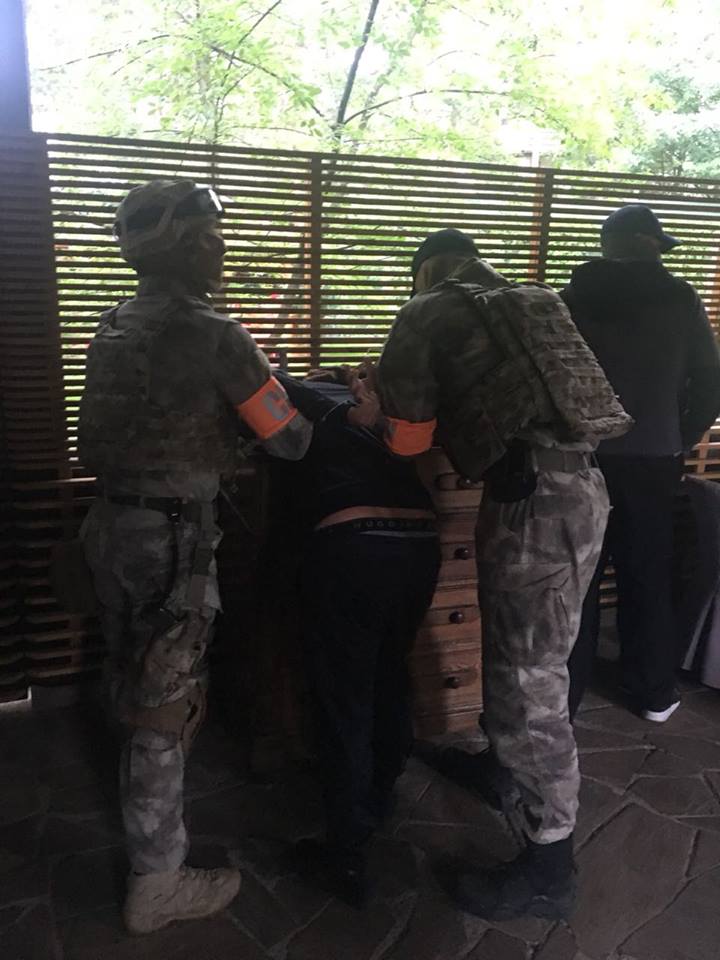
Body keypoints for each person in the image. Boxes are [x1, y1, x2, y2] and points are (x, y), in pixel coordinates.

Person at [375, 229, 632, 921]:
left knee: (528, 680)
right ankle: (500, 768)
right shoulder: (535, 299)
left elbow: (406, 437)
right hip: (583, 492)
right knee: (525, 659)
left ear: (425, 270)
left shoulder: (427, 308)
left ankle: (548, 865)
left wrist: (371, 403)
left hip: (533, 506)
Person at [78, 180, 313, 934]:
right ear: (181, 246)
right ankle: (157, 880)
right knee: (165, 701)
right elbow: (291, 440)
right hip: (172, 540)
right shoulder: (216, 333)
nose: (221, 247)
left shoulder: (113, 324)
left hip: (109, 527)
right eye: (210, 235)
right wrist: (269, 389)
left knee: (130, 677)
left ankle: (138, 809)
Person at [273, 369, 440, 907]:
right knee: (390, 673)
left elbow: (271, 384)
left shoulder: (311, 407)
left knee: (345, 697)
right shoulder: (387, 413)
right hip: (419, 541)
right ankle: (379, 794)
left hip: (354, 543)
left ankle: (344, 848)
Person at [564, 205, 720, 722]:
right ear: (649, 244)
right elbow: (710, 379)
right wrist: (680, 436)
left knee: (578, 575)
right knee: (648, 573)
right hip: (653, 458)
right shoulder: (680, 298)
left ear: (607, 244)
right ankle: (653, 691)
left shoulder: (571, 298)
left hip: (580, 456)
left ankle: (568, 693)